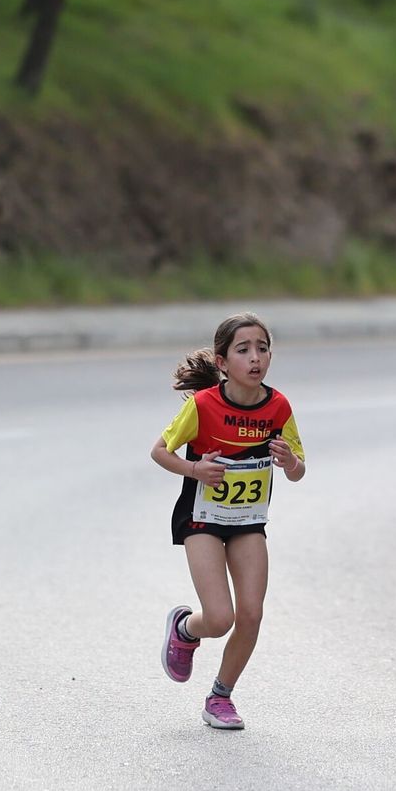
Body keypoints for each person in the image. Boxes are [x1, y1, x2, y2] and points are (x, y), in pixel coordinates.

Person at [151, 312, 306, 730]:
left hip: (248, 521)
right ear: (222, 363)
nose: (255, 358)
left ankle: (221, 697)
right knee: (220, 618)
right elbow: (159, 451)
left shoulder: (278, 407)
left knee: (251, 614)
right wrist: (196, 470)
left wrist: (290, 461)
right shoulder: (204, 406)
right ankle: (186, 628)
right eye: (243, 350)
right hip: (201, 517)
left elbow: (298, 470)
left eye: (262, 348)